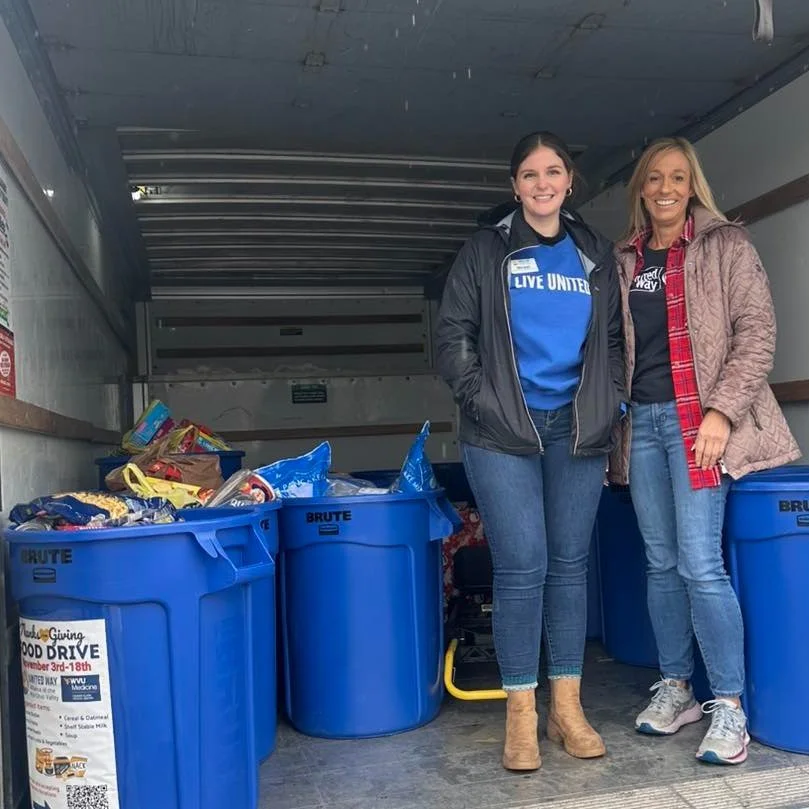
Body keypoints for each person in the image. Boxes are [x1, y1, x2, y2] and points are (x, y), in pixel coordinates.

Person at [435, 131, 625, 771]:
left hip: (576, 429)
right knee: (524, 565)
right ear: (513, 185)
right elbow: (453, 334)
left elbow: (617, 342)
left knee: (570, 565)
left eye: (553, 172)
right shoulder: (486, 250)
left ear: (570, 180)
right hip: (500, 431)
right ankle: (520, 712)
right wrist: (480, 399)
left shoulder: (593, 251)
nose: (542, 184)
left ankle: (565, 709)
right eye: (528, 174)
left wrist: (612, 401)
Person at [609, 136, 801, 764]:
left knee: (698, 563)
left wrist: (720, 413)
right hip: (643, 425)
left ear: (693, 187)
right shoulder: (624, 259)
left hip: (699, 422)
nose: (666, 188)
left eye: (678, 178)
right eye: (655, 178)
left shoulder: (726, 245)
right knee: (661, 563)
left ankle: (730, 706)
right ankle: (676, 687)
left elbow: (758, 333)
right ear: (641, 187)